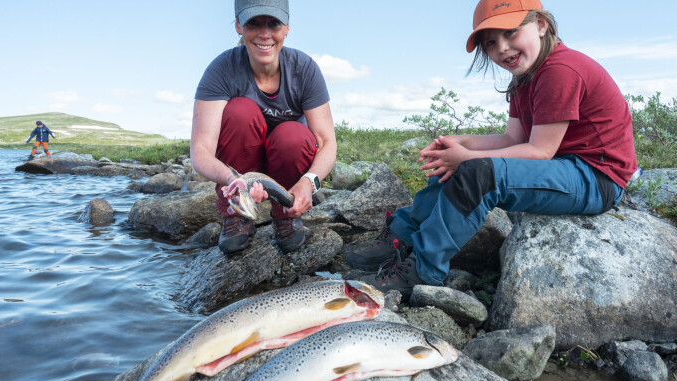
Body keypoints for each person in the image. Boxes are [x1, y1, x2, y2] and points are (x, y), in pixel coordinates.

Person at [348, 0, 638, 295]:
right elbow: (513, 139)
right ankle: (401, 237)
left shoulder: (560, 70)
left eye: (510, 32)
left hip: (596, 178)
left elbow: (540, 151)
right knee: (453, 161)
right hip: (563, 167)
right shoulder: (524, 77)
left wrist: (467, 158)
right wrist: (461, 143)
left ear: (541, 25)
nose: (501, 47)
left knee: (477, 173)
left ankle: (422, 271)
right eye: (490, 42)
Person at [190, 0, 336, 254]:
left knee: (293, 135)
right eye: (254, 23)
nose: (265, 34)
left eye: (274, 24)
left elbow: (326, 142)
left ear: (287, 28)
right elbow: (201, 149)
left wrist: (308, 183)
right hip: (242, 172)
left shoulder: (304, 69)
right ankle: (237, 214)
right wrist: (233, 181)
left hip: (286, 165)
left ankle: (286, 214)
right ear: (238, 26)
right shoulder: (221, 70)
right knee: (240, 112)